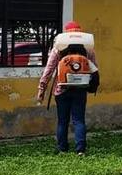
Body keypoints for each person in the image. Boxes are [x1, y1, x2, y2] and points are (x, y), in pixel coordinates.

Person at [36, 20, 98, 155]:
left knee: (62, 120)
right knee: (79, 120)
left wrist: (42, 89)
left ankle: (62, 148)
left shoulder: (58, 48)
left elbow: (49, 70)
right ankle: (80, 149)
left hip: (61, 90)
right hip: (80, 89)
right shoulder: (88, 49)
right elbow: (94, 69)